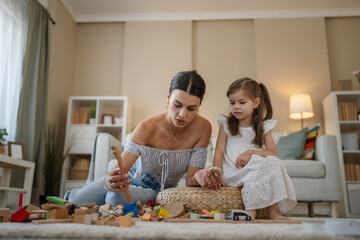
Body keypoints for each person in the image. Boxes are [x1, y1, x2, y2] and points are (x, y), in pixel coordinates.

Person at [64, 70, 219, 206]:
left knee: (115, 200)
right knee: (74, 202)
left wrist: (199, 177)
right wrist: (110, 180)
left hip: (159, 190)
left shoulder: (203, 129)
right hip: (130, 180)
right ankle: (81, 196)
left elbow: (190, 181)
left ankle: (110, 200)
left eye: (191, 108)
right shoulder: (147, 126)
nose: (183, 114)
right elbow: (117, 171)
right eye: (177, 105)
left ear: (199, 105)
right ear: (168, 98)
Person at [212, 77, 296, 220]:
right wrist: (216, 173)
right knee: (256, 165)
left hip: (254, 170)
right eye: (232, 103)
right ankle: (250, 211)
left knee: (274, 163)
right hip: (232, 172)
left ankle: (274, 213)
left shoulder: (264, 126)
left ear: (256, 103)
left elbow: (273, 154)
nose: (236, 107)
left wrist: (250, 153)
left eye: (242, 102)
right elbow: (219, 152)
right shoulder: (225, 124)